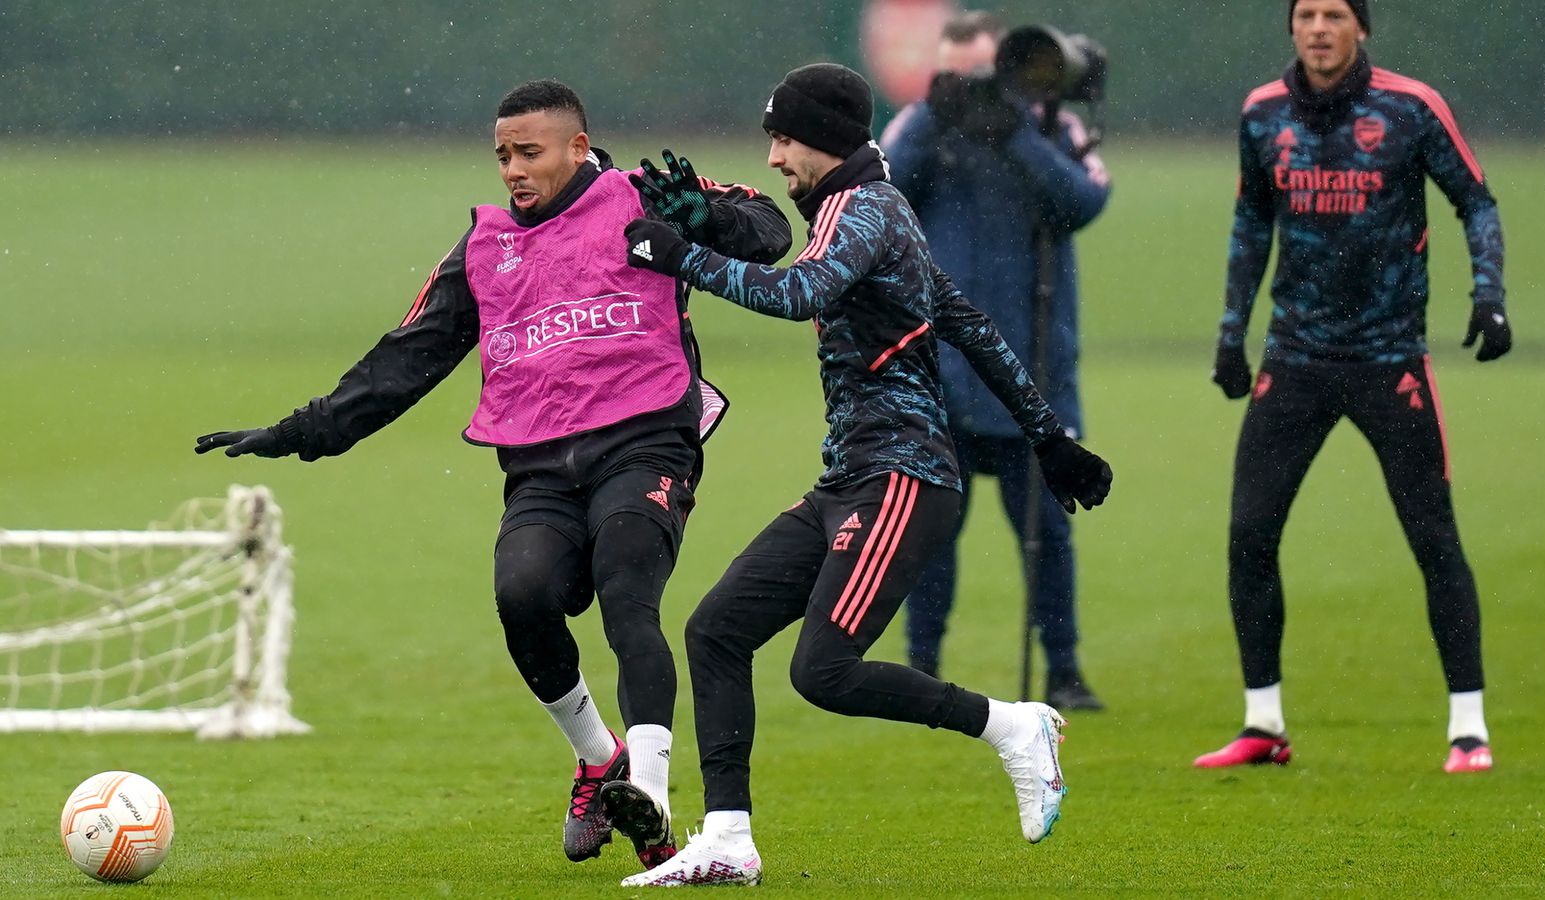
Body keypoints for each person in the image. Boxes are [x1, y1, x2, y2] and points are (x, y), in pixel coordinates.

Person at [194, 80, 793, 865]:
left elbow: (772, 229)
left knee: (625, 585)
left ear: (579, 147)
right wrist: (302, 431)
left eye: (529, 153)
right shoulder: (483, 248)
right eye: (502, 155)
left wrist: (704, 220)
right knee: (523, 595)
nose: (512, 169)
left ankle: (652, 801)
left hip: (647, 440)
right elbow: (407, 358)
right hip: (541, 464)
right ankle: (596, 759)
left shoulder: (642, 195)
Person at [616, 63, 1113, 887]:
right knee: (716, 631)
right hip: (850, 477)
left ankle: (1012, 726)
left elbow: (798, 293)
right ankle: (730, 839)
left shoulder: (865, 208)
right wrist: (1046, 434)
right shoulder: (872, 207)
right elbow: (971, 327)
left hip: (902, 477)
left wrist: (682, 255)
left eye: (782, 138)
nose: (773, 158)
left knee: (823, 672)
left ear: (824, 139)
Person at [1197, 0, 1510, 774]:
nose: (1319, 27)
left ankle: (1468, 729)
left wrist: (1489, 294)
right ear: (1292, 28)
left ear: (1361, 28)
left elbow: (1475, 199)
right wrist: (1232, 332)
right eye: (1306, 14)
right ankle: (1263, 724)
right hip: (1295, 359)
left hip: (1389, 360)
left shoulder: (1411, 107)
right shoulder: (1262, 113)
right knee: (1249, 535)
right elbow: (1251, 223)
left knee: (1433, 539)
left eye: (1336, 13)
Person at [880, 11, 1113, 710]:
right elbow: (885, 188)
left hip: (1033, 369)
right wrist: (933, 117)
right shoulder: (918, 129)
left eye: (984, 71)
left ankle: (1063, 669)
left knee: (1048, 533)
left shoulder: (1050, 130)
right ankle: (921, 664)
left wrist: (1015, 134)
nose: (972, 85)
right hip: (939, 372)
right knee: (929, 534)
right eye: (955, 74)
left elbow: (1084, 201)